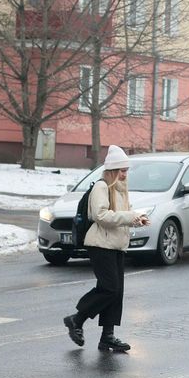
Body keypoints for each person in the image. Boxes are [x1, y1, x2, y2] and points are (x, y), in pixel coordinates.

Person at [63, 145, 150, 353]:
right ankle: (76, 319)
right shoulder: (101, 187)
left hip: (117, 245)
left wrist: (137, 219)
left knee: (116, 292)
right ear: (112, 170)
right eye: (122, 170)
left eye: (126, 171)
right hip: (100, 245)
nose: (125, 174)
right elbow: (100, 216)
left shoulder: (121, 190)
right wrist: (130, 216)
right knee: (109, 288)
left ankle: (107, 337)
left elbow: (124, 215)